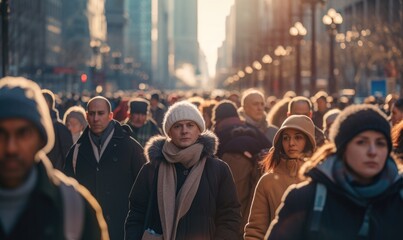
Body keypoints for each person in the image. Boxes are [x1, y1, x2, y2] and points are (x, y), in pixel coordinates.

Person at [265, 104, 403, 240]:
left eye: (380, 143)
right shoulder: (306, 198)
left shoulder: (399, 198)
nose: (372, 152)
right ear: (342, 148)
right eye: (362, 142)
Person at [0, 77, 108, 240]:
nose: (11, 148)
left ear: (41, 140)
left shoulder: (74, 207)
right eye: (1, 134)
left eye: (23, 134)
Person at [125, 100, 241, 240]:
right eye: (178, 126)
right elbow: (136, 214)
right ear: (169, 132)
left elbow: (229, 215)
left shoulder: (218, 169)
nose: (184, 130)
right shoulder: (151, 169)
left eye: (190, 125)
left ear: (199, 130)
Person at [64, 96, 146, 240]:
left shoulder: (130, 147)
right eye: (92, 113)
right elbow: (67, 194)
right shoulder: (77, 150)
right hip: (88, 231)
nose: (96, 118)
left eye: (100, 113)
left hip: (123, 231)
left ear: (110, 116)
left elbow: (145, 192)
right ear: (86, 116)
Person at [244, 115, 316, 240]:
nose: (291, 143)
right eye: (286, 138)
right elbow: (255, 231)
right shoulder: (268, 181)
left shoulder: (318, 179)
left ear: (308, 141)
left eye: (298, 137)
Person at [212, 100, 272, 239]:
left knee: (236, 202)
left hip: (233, 163)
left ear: (218, 117)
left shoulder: (219, 130)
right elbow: (269, 146)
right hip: (260, 165)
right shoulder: (249, 127)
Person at [42, 89, 73, 170]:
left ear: (48, 104)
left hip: (56, 175)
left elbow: (67, 155)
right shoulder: (36, 125)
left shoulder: (59, 128)